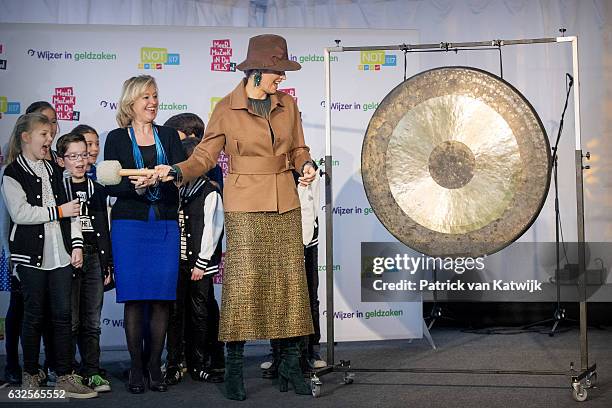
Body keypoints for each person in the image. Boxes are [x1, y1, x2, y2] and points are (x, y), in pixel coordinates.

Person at [156, 34, 317, 401]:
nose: (282, 78)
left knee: (291, 285)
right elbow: (205, 156)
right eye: (277, 71)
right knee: (243, 287)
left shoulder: (287, 104)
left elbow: (298, 148)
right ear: (256, 71)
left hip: (286, 201)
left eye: (283, 71)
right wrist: (178, 172)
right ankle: (233, 367)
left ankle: (290, 365)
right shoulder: (227, 108)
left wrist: (305, 165)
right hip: (244, 203)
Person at [1, 113, 97, 398]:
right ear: (26, 137)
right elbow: (20, 213)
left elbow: (73, 213)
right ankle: (31, 373)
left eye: (50, 133)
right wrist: (58, 212)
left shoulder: (55, 170)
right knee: (33, 316)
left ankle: (64, 374)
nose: (49, 138)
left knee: (62, 315)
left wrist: (76, 245)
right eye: (43, 134)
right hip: (30, 256)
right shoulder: (12, 174)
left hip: (60, 255)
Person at [103, 75, 185, 394]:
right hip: (129, 226)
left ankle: (155, 366)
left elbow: (181, 176)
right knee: (135, 299)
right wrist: (137, 186)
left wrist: (163, 180)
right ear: (131, 103)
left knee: (162, 299)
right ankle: (137, 367)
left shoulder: (169, 136)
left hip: (163, 223)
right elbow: (111, 182)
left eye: (155, 95)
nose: (152, 102)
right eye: (146, 97)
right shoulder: (116, 138)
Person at [165, 137, 225, 385]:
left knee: (200, 313)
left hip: (199, 265)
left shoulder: (209, 192)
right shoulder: (177, 191)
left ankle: (200, 362)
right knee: (175, 313)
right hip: (177, 262)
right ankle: (176, 362)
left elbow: (213, 228)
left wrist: (201, 262)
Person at [56, 132, 112, 393]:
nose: (80, 161)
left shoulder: (97, 190)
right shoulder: (57, 188)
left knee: (93, 319)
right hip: (66, 258)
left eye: (84, 154)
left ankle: (92, 372)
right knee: (71, 320)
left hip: (94, 258)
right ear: (61, 160)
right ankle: (67, 371)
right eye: (73, 156)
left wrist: (107, 264)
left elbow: (104, 227)